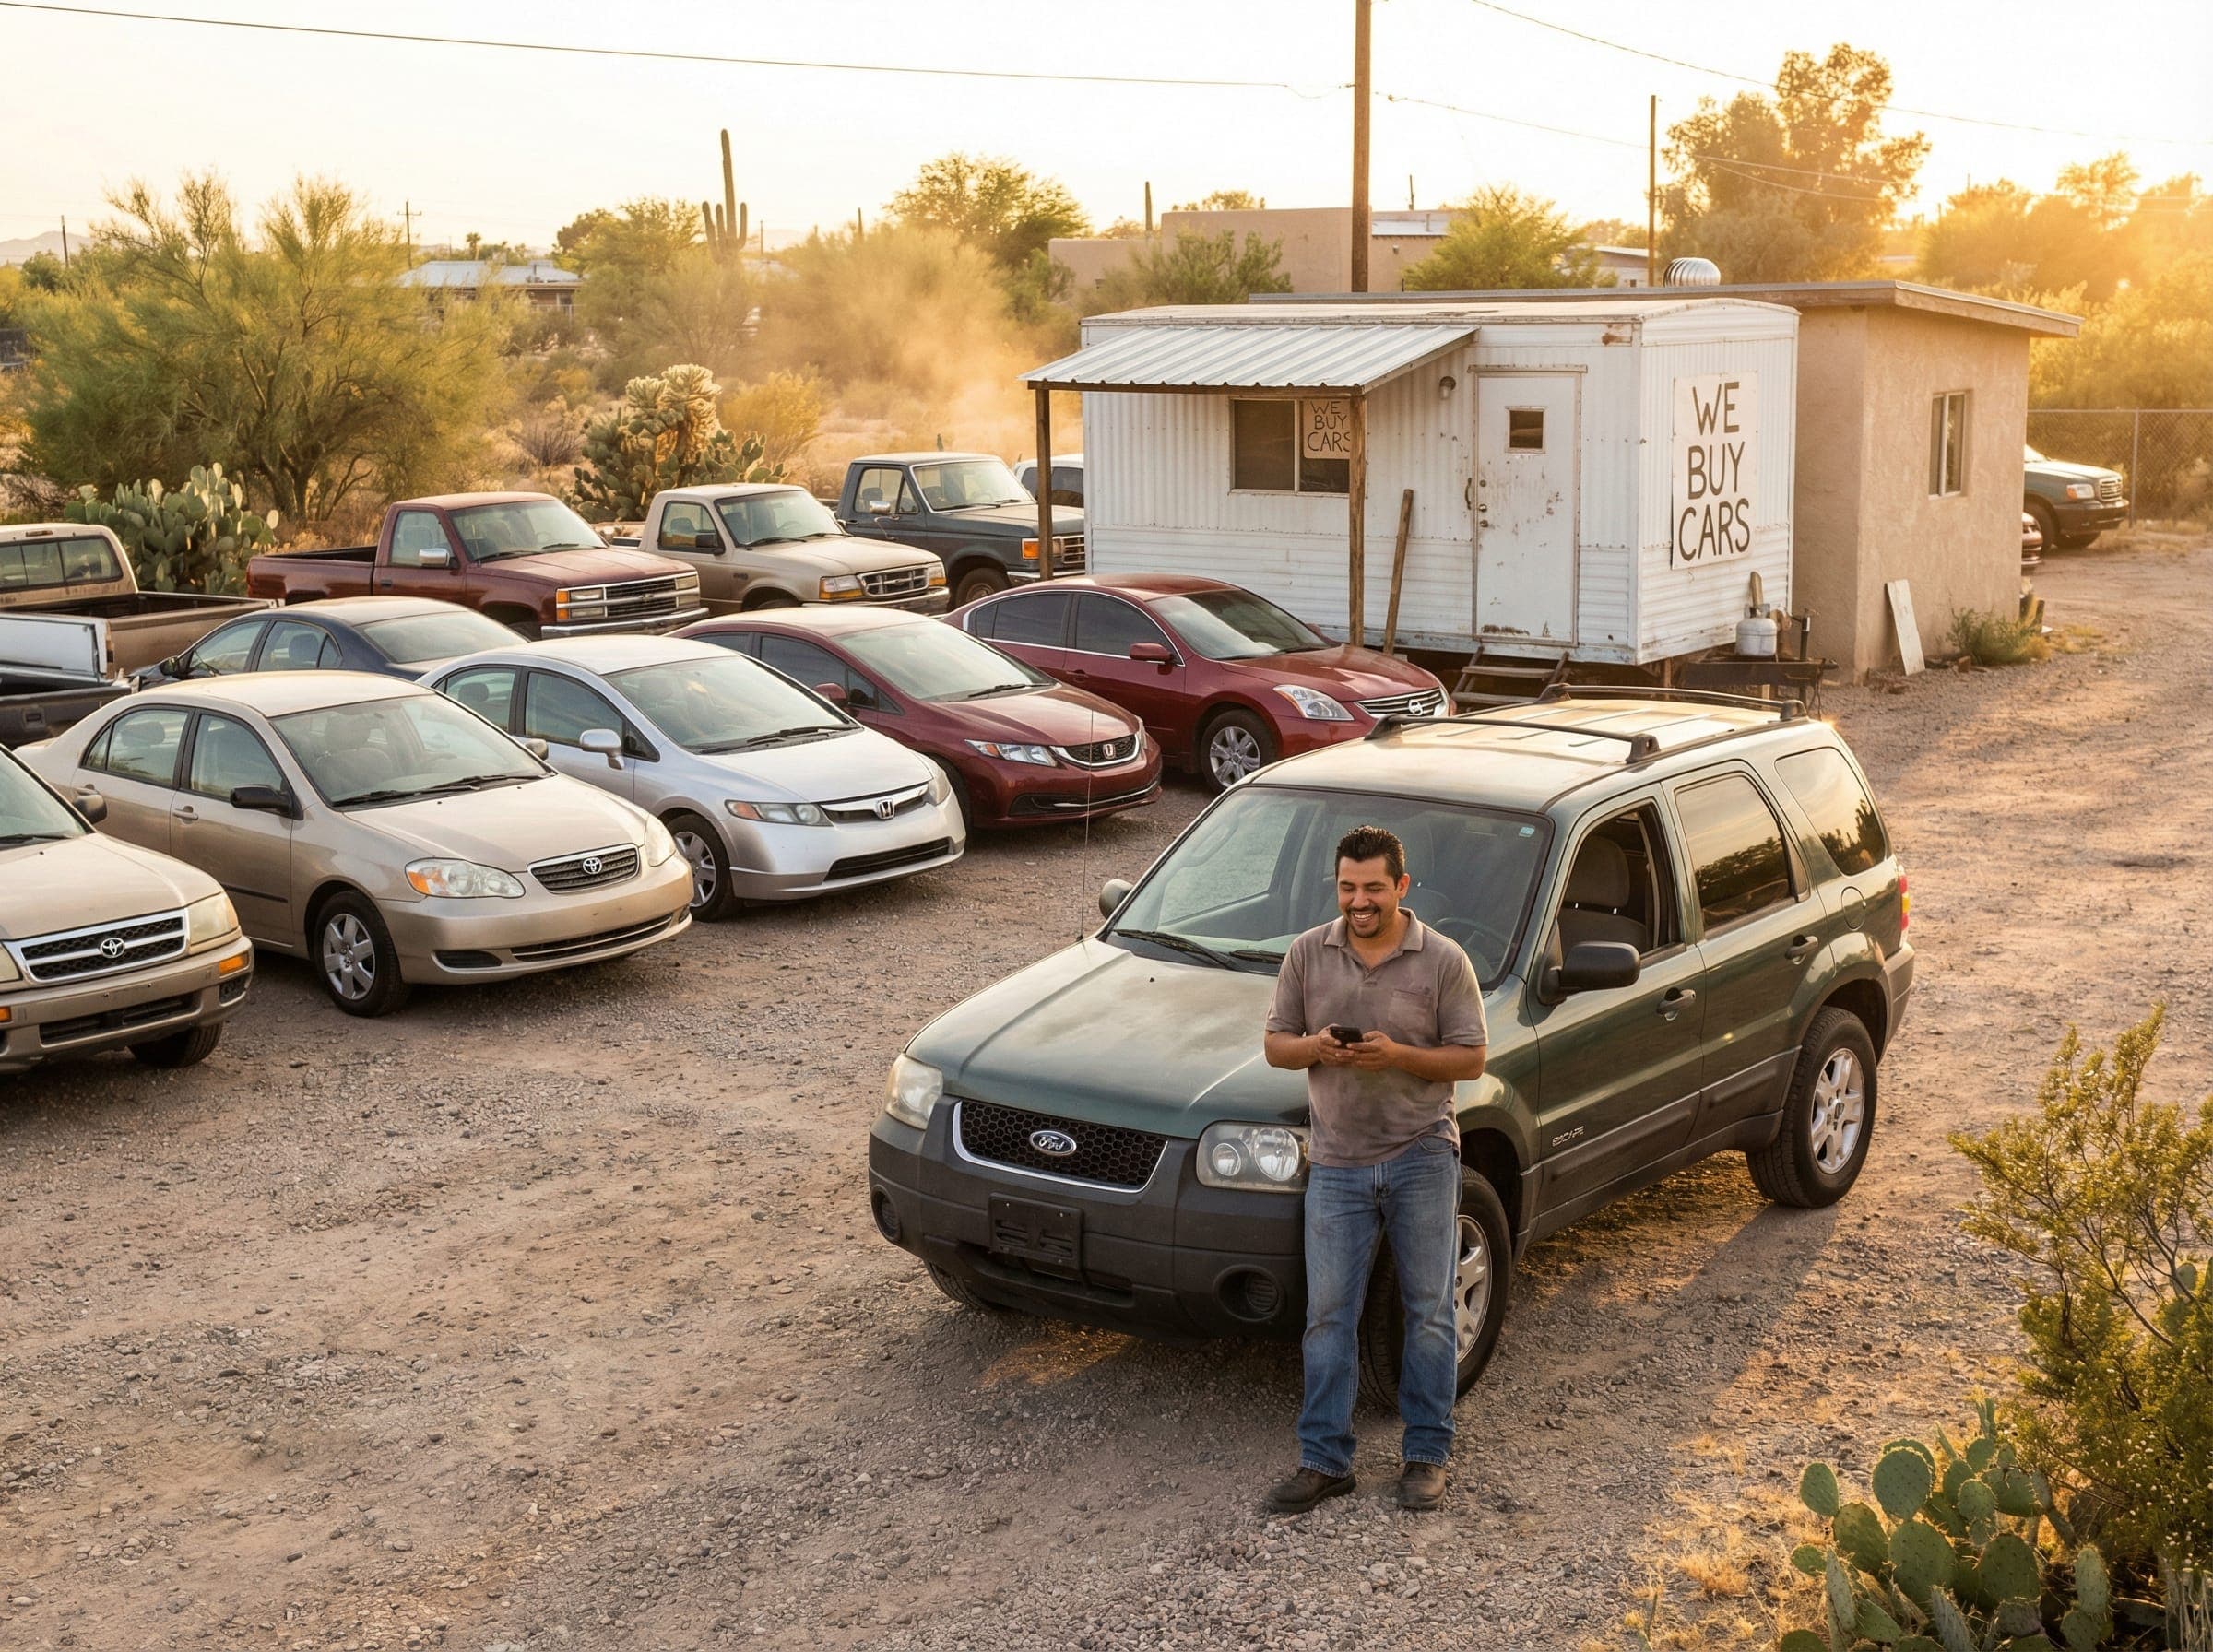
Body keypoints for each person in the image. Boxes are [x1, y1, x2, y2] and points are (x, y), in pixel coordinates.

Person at [1260, 824, 1489, 1515]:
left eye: (1373, 888)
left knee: (1428, 1312)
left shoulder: (1444, 961)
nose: (1359, 901)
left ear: (1401, 887)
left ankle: (1427, 1455)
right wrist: (1314, 1049)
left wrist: (1398, 1056)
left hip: (1421, 1152)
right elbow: (1275, 1046)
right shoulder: (1308, 953)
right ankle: (1326, 1461)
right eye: (1348, 887)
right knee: (1328, 1316)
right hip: (1335, 1160)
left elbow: (1471, 1059)